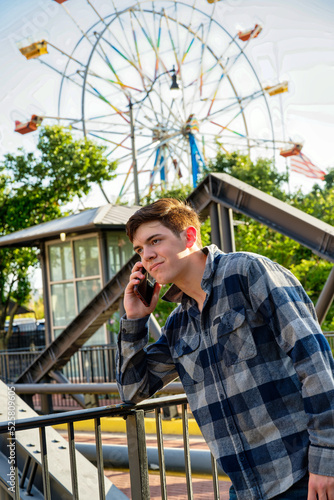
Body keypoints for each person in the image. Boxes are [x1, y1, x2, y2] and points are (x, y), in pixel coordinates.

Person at [116, 198, 334, 500]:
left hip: (304, 477)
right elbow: (133, 390)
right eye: (139, 249)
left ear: (189, 237)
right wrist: (135, 320)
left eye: (155, 241)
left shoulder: (247, 272)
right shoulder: (179, 323)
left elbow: (315, 363)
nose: (147, 256)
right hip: (246, 489)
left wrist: (327, 460)